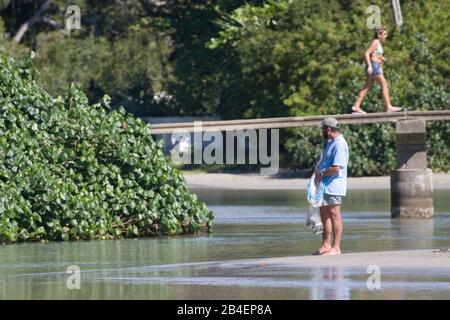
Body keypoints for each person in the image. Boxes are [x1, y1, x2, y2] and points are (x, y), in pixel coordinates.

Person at [313, 117, 349, 256]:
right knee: (324, 215)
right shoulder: (330, 142)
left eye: (322, 129)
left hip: (334, 185)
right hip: (324, 185)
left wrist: (321, 173)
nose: (321, 131)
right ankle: (326, 244)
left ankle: (336, 247)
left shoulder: (340, 144)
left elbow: (336, 168)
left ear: (328, 129)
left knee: (335, 215)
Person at [352, 26, 402, 114]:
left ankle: (356, 106)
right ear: (379, 35)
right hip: (374, 66)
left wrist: (381, 60)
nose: (386, 36)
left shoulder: (378, 43)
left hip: (376, 66)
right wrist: (370, 66)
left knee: (367, 87)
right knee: (384, 84)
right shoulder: (375, 42)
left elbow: (375, 55)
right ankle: (388, 107)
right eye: (384, 34)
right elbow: (366, 53)